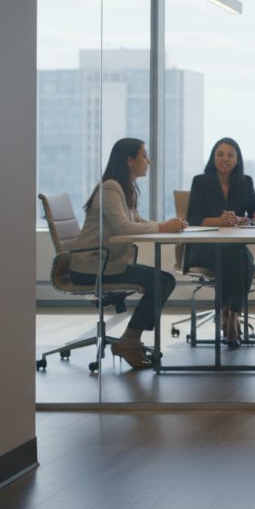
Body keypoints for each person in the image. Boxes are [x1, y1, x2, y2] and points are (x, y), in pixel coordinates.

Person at [70, 137, 185, 370]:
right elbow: (123, 227)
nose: (148, 161)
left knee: (164, 280)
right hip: (92, 267)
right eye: (144, 156)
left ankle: (130, 340)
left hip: (106, 263)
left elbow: (136, 221)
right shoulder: (111, 188)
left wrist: (168, 225)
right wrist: (163, 227)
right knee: (161, 281)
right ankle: (129, 342)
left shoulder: (122, 188)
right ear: (130, 160)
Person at [185, 137, 255, 348]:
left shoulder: (246, 182)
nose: (225, 159)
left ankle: (230, 312)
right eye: (220, 154)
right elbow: (192, 218)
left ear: (238, 159)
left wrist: (240, 219)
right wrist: (218, 221)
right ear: (213, 157)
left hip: (234, 247)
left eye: (230, 155)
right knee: (241, 260)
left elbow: (254, 216)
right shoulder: (200, 181)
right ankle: (231, 314)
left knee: (239, 257)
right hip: (203, 248)